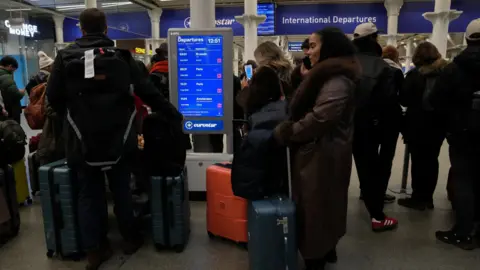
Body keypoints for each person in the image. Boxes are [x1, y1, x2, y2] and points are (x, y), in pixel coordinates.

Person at [46, 8, 181, 269]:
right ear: (107, 29)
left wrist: (75, 117)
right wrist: (174, 115)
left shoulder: (64, 58)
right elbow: (148, 92)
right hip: (120, 137)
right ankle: (130, 238)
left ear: (81, 30)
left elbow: (53, 98)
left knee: (89, 193)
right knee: (122, 188)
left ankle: (95, 250)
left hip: (81, 138)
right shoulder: (122, 57)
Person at [273, 27, 360, 270]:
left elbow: (321, 118)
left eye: (313, 46)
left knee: (316, 209)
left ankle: (316, 257)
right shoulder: (326, 76)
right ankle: (323, 248)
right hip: (321, 152)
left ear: (329, 48)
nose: (308, 51)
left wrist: (290, 132)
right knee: (321, 206)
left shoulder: (336, 80)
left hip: (322, 154)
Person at [429, 18, 480, 250]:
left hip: (462, 132)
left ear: (468, 38)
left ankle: (462, 233)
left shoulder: (455, 68)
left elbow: (435, 100)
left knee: (463, 179)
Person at [352, 22, 400, 232]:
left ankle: (368, 195)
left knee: (364, 166)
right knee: (382, 167)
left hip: (355, 126)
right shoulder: (384, 67)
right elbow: (388, 101)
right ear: (373, 39)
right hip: (382, 127)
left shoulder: (348, 65)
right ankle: (378, 216)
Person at [397, 42, 447, 210]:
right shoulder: (445, 74)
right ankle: (429, 198)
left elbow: (404, 99)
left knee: (418, 161)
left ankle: (418, 198)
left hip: (417, 124)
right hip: (438, 124)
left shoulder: (414, 76)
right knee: (432, 160)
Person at [0, 56, 25, 123]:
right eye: (14, 69)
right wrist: (22, 92)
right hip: (10, 111)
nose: (13, 72)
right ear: (10, 66)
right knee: (13, 130)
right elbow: (16, 95)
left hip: (3, 110)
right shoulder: (6, 77)